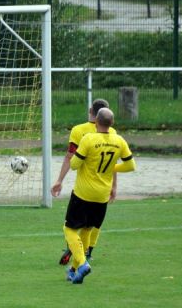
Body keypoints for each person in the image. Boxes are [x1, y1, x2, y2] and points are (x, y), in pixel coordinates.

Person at [63, 108, 136, 284]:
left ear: (96, 121)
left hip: (83, 193)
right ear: (112, 123)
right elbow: (130, 165)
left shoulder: (88, 139)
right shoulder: (119, 140)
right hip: (102, 196)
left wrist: (84, 162)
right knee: (87, 228)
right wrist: (112, 168)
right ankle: (73, 270)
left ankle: (82, 263)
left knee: (69, 229)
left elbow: (74, 164)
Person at [50, 98, 117, 265]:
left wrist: (59, 180)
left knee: (72, 226)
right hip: (103, 187)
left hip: (83, 187)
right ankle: (88, 252)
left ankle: (76, 252)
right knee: (91, 226)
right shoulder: (112, 133)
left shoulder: (78, 131)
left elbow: (70, 156)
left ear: (90, 111)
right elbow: (114, 164)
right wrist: (114, 186)